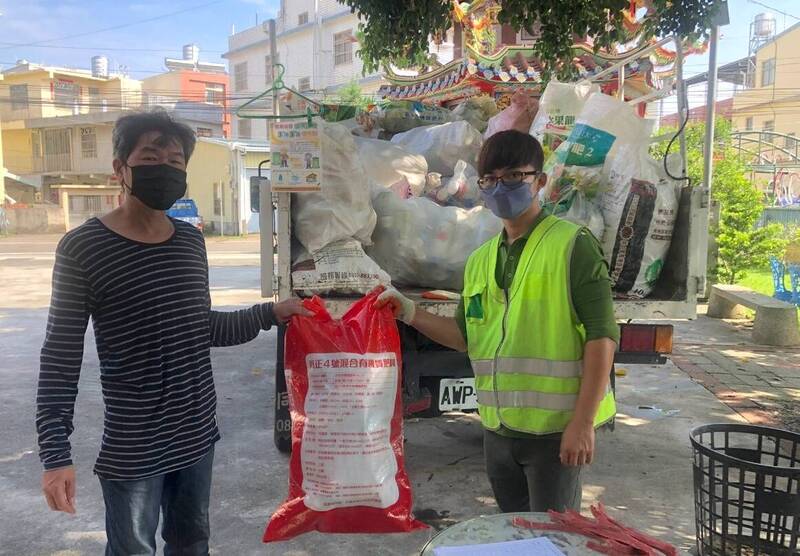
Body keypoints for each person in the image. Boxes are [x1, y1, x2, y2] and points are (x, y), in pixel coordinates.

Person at [36, 109, 309, 555]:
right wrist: (55, 453)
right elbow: (60, 356)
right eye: (150, 155)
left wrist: (271, 313)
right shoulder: (83, 248)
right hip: (134, 445)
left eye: (176, 160)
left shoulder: (189, 241)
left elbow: (199, 327)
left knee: (191, 544)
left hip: (197, 433)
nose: (165, 167)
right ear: (120, 169)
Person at [377, 130, 618, 513]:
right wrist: (408, 311)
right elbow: (464, 337)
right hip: (497, 430)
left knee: (554, 539)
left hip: (553, 433)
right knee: (513, 531)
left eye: (512, 177)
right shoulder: (481, 259)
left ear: (539, 181)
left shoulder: (573, 245)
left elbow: (602, 336)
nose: (499, 187)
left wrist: (583, 423)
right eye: (489, 180)